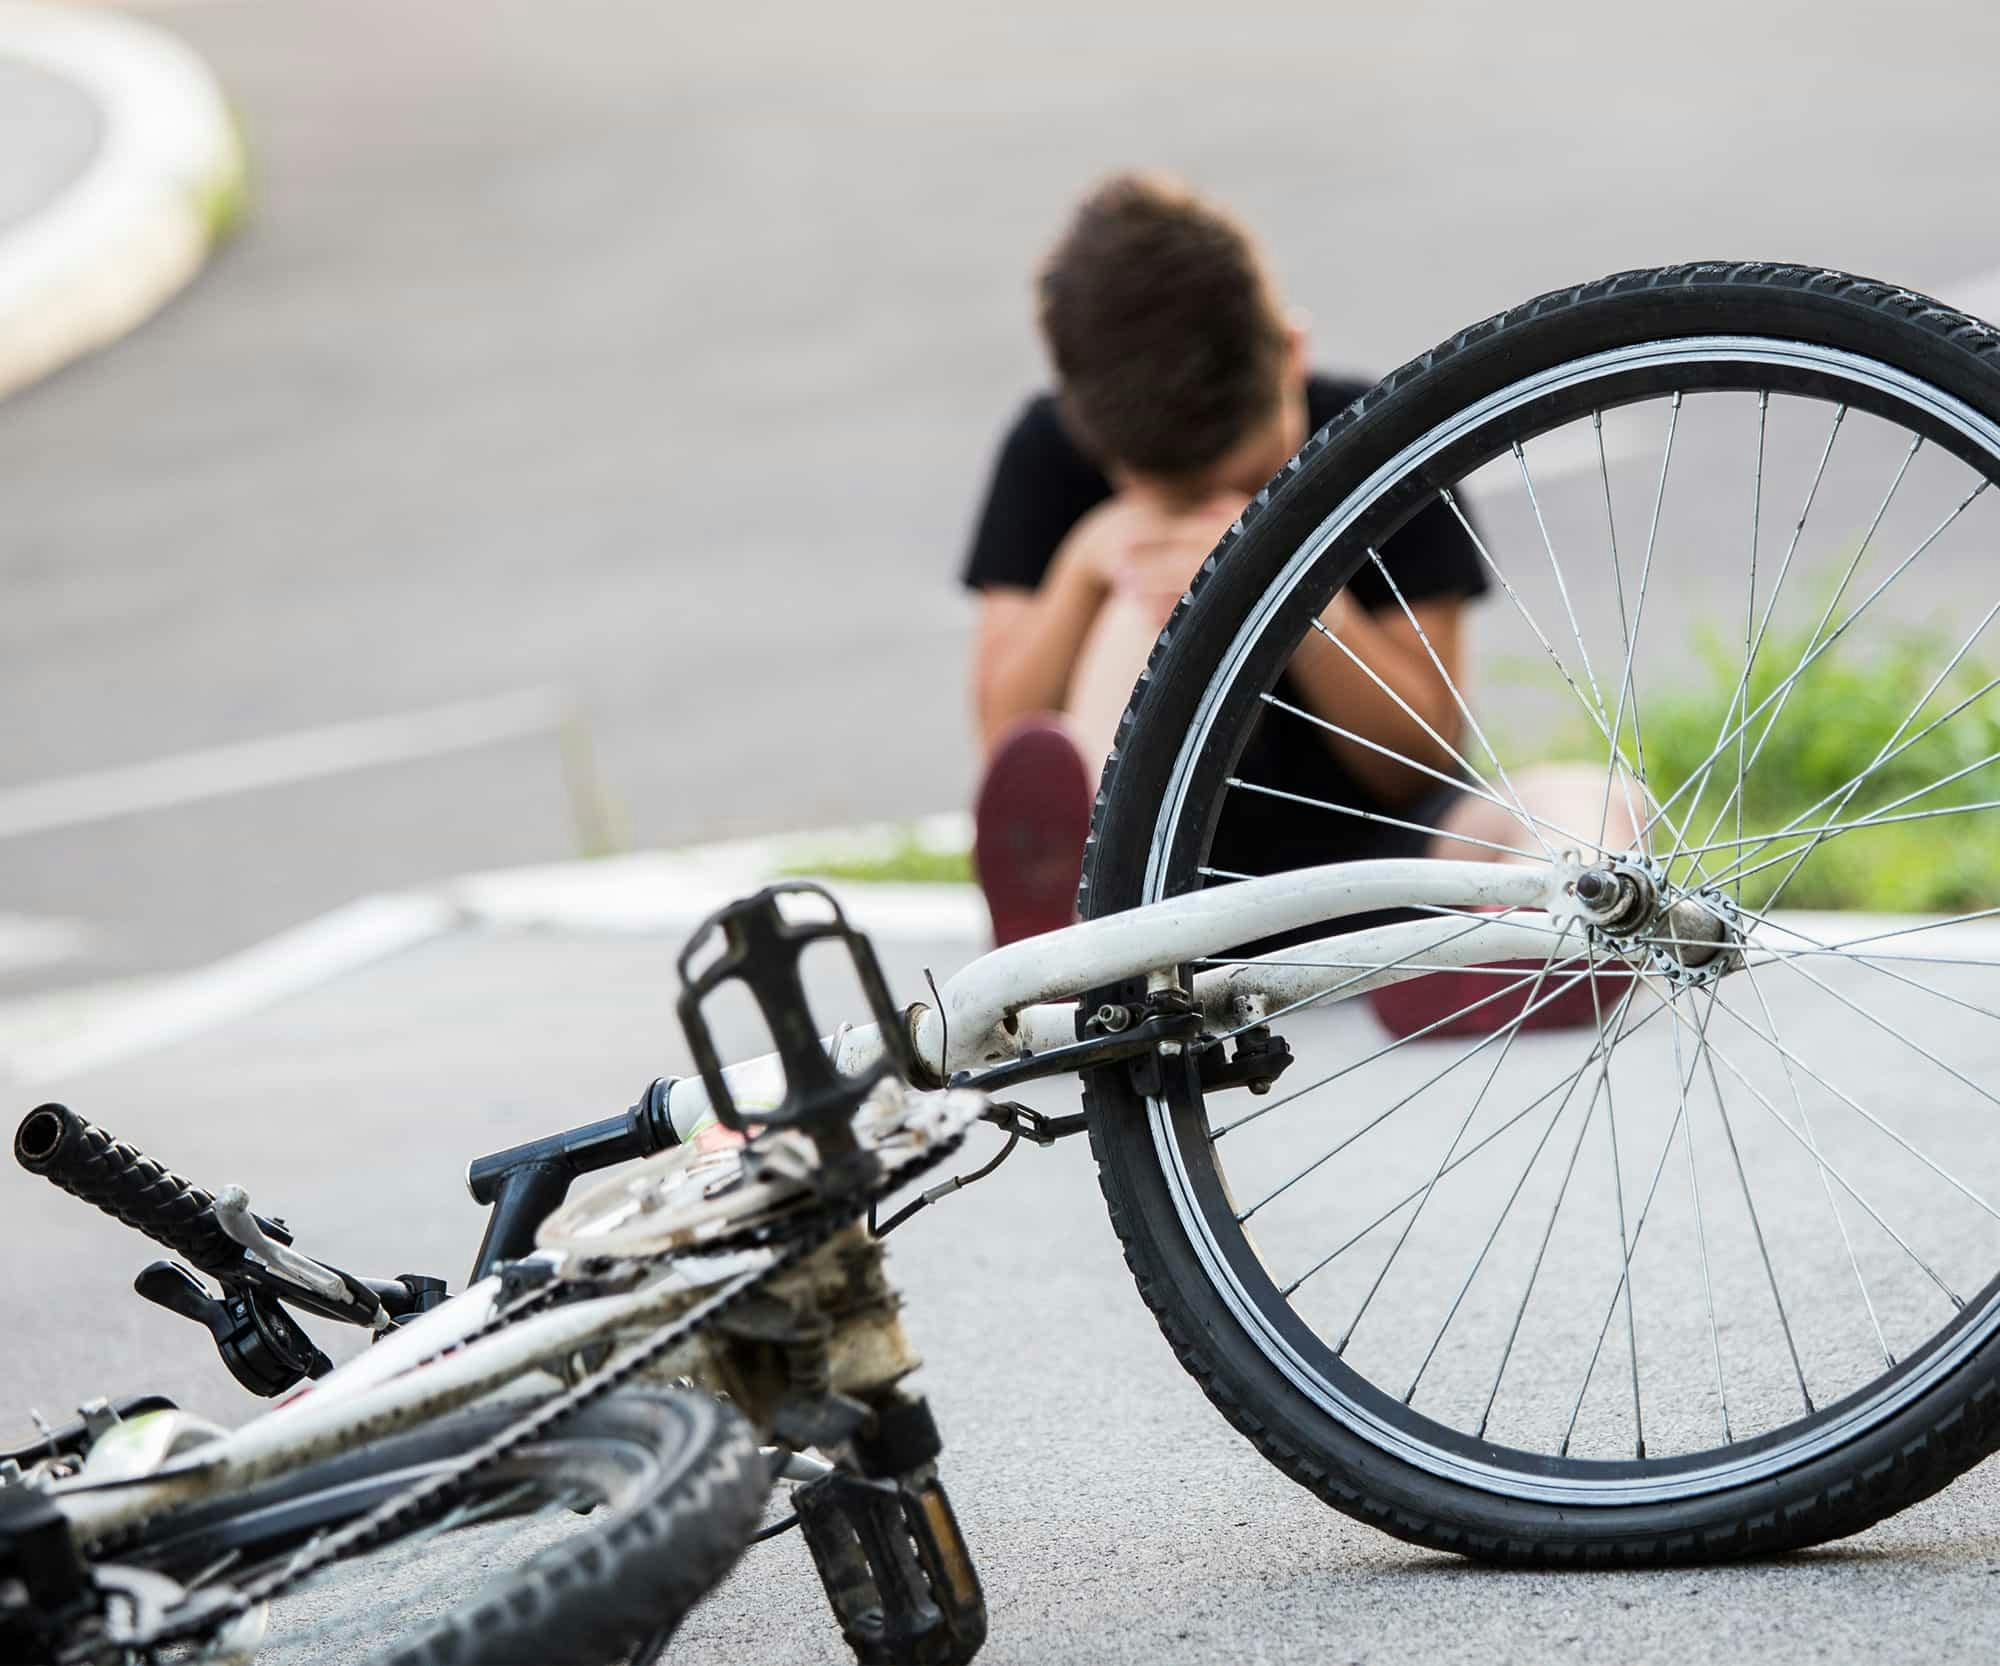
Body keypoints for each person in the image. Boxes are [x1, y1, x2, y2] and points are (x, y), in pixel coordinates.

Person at [961, 174, 1627, 1030]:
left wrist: (1298, 596)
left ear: (1293, 354)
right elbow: (1005, 741)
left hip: (1384, 878)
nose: (1218, 498)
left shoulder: (1377, 440)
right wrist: (1087, 565)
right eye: (1179, 491)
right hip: (1154, 900)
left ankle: (1546, 940)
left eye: (1241, 469)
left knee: (1584, 798)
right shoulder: (1049, 454)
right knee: (1148, 597)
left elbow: (1418, 751)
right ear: (1093, 437)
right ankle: (1077, 929)